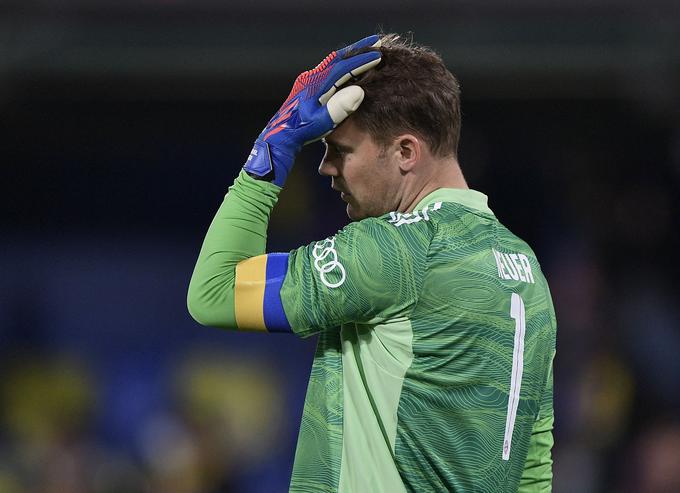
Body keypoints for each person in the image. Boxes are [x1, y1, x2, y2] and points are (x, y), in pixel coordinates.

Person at [187, 34, 556, 492]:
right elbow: (532, 468)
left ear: (405, 152)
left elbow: (215, 292)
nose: (324, 168)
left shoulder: (396, 250)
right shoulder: (527, 269)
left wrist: (271, 150)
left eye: (340, 150)